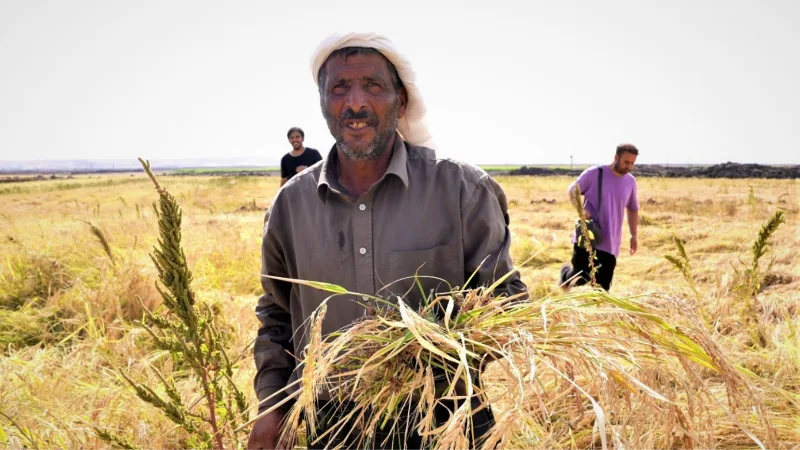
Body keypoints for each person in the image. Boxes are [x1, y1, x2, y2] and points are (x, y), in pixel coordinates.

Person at [248, 32, 527, 450]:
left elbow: (505, 301)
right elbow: (278, 315)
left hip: (447, 420)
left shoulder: (461, 189)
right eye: (339, 88)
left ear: (401, 101)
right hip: (333, 427)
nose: (355, 103)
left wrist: (427, 357)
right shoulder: (292, 205)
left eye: (373, 87)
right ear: (323, 102)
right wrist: (273, 406)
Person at [559, 144, 640, 291]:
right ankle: (565, 276)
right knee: (579, 277)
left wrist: (634, 235)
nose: (629, 166)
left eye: (632, 163)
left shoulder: (630, 181)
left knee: (602, 287)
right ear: (616, 157)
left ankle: (595, 313)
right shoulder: (595, 173)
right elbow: (573, 191)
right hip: (589, 235)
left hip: (611, 242)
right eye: (626, 162)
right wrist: (580, 210)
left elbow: (633, 209)